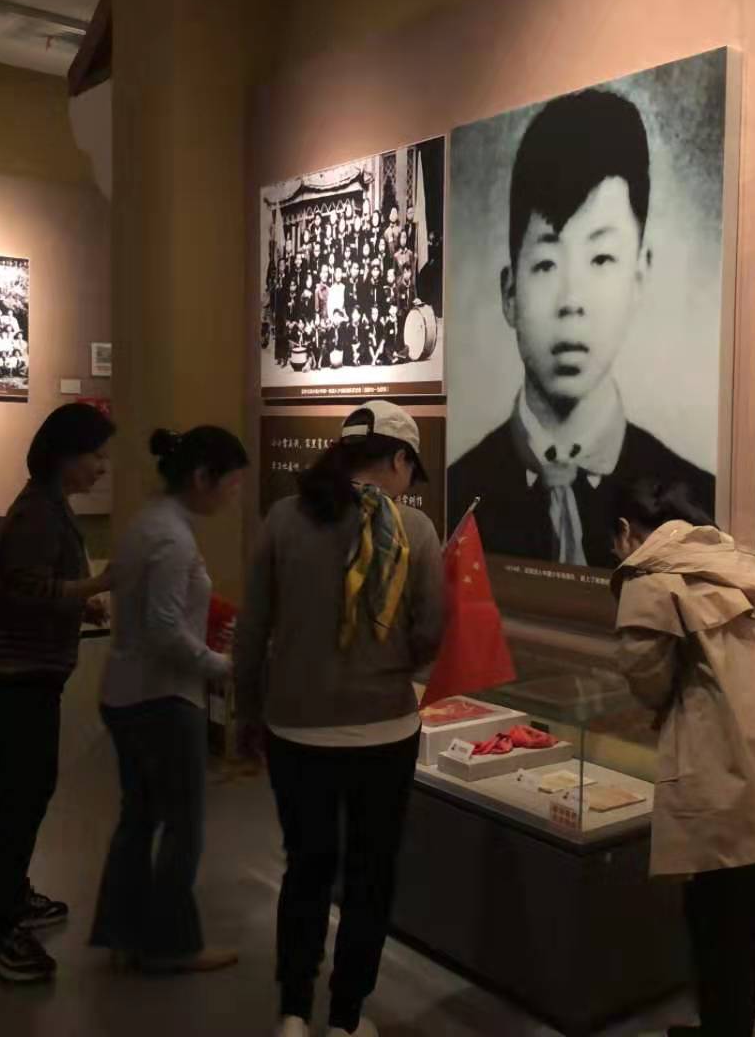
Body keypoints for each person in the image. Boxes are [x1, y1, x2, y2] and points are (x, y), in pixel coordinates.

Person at [233, 401, 445, 1037]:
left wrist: (247, 714)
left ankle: (294, 1011)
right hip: (385, 731)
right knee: (370, 876)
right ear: (400, 459)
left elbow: (252, 631)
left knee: (306, 866)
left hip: (296, 728)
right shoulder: (415, 530)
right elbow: (430, 636)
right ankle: (347, 1019)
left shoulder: (282, 519)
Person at [447, 88, 715, 569]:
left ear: (638, 277)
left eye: (601, 258)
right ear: (510, 293)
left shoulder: (697, 501)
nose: (571, 301)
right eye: (546, 263)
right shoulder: (455, 495)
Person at [609, 479, 755, 1037]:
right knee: (748, 916)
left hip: (726, 763)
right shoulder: (741, 563)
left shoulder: (648, 577)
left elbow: (645, 675)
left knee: (715, 923)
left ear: (624, 531)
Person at [90, 426, 249, 975]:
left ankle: (125, 933)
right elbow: (164, 629)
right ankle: (172, 944)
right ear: (202, 477)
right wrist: (220, 666)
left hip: (126, 692)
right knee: (182, 825)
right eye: (231, 483)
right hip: (161, 698)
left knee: (139, 818)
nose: (233, 495)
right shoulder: (173, 538)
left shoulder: (149, 523)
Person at [0, 403, 116, 983]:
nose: (102, 467)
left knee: (26, 794)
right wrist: (97, 584)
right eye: (95, 455)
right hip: (15, 681)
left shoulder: (49, 506)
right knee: (20, 801)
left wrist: (83, 602)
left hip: (27, 679)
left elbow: (41, 587)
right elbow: (23, 590)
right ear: (65, 456)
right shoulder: (37, 512)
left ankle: (10, 897)